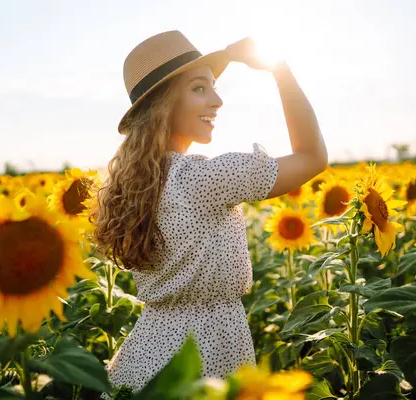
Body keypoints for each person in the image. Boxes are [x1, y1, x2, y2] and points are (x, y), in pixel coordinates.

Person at [92, 30, 327, 396]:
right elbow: (313, 157)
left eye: (214, 87)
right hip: (206, 355)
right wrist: (279, 69)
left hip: (147, 354)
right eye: (200, 88)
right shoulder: (203, 178)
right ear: (164, 104)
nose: (217, 100)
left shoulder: (135, 184)